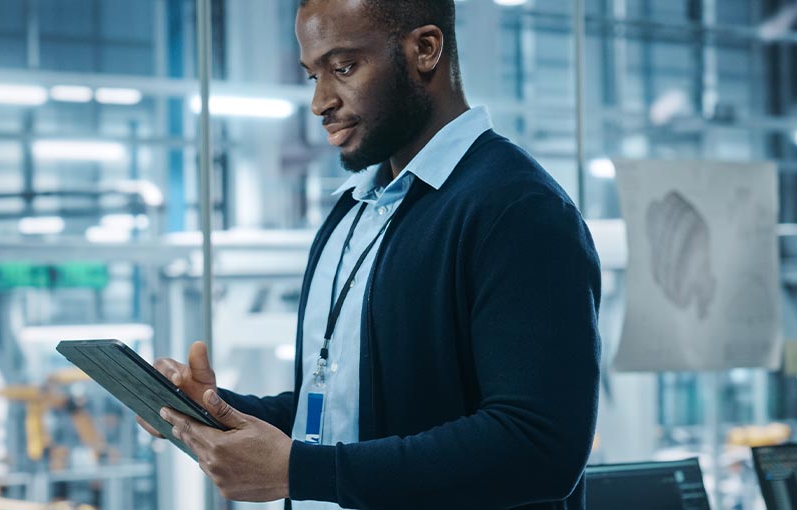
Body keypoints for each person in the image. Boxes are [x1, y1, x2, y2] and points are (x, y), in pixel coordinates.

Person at [139, 0, 602, 508]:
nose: (319, 102)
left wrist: (303, 472)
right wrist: (211, 410)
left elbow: (537, 447)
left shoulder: (517, 209)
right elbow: (341, 405)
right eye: (313, 75)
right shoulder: (354, 214)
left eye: (343, 68)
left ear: (425, 49)